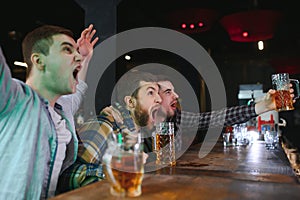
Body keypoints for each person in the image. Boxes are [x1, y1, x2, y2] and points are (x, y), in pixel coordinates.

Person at [0, 24, 98, 199]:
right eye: (67, 50)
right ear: (38, 61)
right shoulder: (13, 98)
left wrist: (85, 58)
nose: (77, 56)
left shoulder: (62, 109)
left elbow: (79, 90)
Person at [56, 70, 161, 193]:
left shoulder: (134, 133)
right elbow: (67, 177)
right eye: (151, 93)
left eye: (158, 93)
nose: (159, 99)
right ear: (131, 102)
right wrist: (116, 171)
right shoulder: (104, 125)